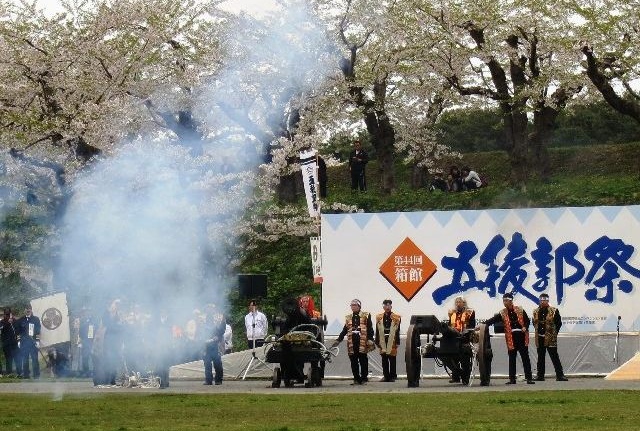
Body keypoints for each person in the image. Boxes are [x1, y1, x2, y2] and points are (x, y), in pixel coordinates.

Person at [483, 292, 535, 384]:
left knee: (525, 357)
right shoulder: (502, 313)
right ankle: (512, 379)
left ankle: (529, 377)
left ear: (511, 301)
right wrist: (483, 324)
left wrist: (525, 327)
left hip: (521, 335)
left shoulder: (520, 309)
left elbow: (527, 320)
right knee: (512, 358)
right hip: (511, 337)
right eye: (504, 301)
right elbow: (493, 320)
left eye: (506, 301)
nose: (504, 302)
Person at [332, 299, 374, 385]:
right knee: (353, 361)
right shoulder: (348, 317)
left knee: (363, 360)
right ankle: (356, 378)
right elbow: (345, 330)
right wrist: (338, 340)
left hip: (362, 341)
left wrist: (370, 339)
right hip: (352, 342)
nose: (353, 307)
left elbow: (370, 328)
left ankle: (364, 378)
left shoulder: (366, 315)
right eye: (352, 305)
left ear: (359, 306)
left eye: (355, 305)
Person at [532, 293, 569, 381]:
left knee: (554, 356)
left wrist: (554, 334)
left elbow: (558, 323)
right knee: (540, 357)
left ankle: (560, 375)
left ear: (548, 300)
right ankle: (540, 376)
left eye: (544, 300)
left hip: (550, 337)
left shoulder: (554, 310)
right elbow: (534, 323)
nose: (543, 302)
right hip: (540, 337)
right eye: (541, 300)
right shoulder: (535, 311)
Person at [445, 296, 476, 385]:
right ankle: (456, 377)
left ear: (464, 303)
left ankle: (465, 378)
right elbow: (449, 325)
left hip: (465, 338)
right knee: (450, 356)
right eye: (457, 302)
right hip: (453, 337)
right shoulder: (452, 313)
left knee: (465, 356)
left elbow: (472, 326)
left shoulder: (470, 312)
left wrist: (465, 334)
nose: (458, 304)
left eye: (460, 302)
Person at [375, 299, 401, 382]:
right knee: (384, 358)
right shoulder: (379, 317)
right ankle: (386, 376)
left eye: (389, 305)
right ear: (383, 306)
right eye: (385, 305)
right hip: (383, 338)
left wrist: (397, 341)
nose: (387, 307)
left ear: (391, 306)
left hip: (392, 339)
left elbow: (398, 330)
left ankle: (393, 376)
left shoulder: (396, 317)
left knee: (392, 358)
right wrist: (377, 340)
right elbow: (377, 329)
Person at [201, 306, 225, 385]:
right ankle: (208, 380)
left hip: (216, 343)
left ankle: (218, 379)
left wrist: (218, 336)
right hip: (206, 343)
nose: (209, 309)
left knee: (217, 362)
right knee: (207, 362)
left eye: (211, 307)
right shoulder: (203, 317)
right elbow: (200, 329)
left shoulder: (219, 317)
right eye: (208, 307)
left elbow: (222, 328)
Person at [16, 304, 41, 379]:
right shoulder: (20, 320)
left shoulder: (36, 319)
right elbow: (18, 332)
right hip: (24, 343)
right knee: (25, 359)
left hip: (33, 343)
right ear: (24, 310)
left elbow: (38, 331)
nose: (28, 310)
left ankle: (36, 375)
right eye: (26, 309)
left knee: (35, 359)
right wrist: (19, 341)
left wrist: (37, 341)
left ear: (31, 309)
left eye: (29, 309)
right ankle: (26, 375)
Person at [0, 308, 21, 376]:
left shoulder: (15, 321)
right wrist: (8, 323)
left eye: (9, 314)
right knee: (8, 359)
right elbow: (2, 329)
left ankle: (19, 372)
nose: (7, 316)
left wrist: (19, 341)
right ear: (4, 314)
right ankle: (9, 373)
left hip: (14, 343)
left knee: (17, 358)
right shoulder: (2, 322)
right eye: (6, 314)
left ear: (11, 314)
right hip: (6, 344)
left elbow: (18, 331)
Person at [78, 308, 96, 377]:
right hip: (85, 341)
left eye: (89, 312)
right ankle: (86, 372)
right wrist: (82, 341)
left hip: (93, 341)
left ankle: (95, 372)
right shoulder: (83, 321)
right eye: (86, 312)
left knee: (94, 358)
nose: (88, 313)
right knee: (85, 358)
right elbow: (80, 331)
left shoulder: (94, 321)